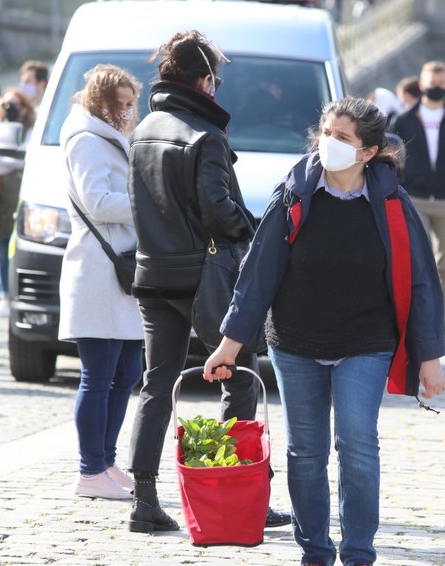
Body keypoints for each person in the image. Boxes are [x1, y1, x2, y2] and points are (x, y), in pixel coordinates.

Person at [203, 97, 445, 566]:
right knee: (306, 453)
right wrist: (229, 343)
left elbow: (422, 282)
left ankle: (360, 564)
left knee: (357, 444)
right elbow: (258, 273)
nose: (327, 144)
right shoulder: (294, 194)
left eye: (342, 138)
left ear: (369, 152)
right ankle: (314, 560)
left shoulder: (394, 205)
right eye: (325, 132)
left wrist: (429, 355)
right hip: (295, 340)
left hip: (366, 339)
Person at [127, 30, 290, 534]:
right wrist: (256, 229)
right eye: (214, 79)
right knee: (241, 369)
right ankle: (240, 493)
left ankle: (144, 498)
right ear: (203, 81)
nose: (216, 88)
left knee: (158, 382)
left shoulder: (146, 127)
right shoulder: (206, 135)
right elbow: (217, 210)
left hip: (153, 272)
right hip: (201, 274)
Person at [59, 65, 144, 501]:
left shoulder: (106, 136)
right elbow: (98, 203)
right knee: (99, 374)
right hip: (98, 268)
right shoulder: (87, 140)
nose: (130, 112)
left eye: (132, 103)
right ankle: (90, 469)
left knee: (127, 369)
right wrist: (148, 201)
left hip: (116, 267)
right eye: (124, 104)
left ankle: (105, 461)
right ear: (104, 103)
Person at [393, 60, 445, 344]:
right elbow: (393, 158)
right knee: (415, 262)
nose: (437, 87)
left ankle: (442, 325)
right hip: (414, 197)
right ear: (421, 83)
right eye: (432, 82)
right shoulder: (404, 120)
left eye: (442, 83)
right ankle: (415, 324)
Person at [0, 88, 35, 318]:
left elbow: (28, 158)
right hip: (2, 193)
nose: (11, 109)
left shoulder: (32, 130)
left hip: (24, 192)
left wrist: (10, 163)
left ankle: (20, 296)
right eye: (7, 105)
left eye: (16, 105)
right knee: (2, 245)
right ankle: (5, 295)